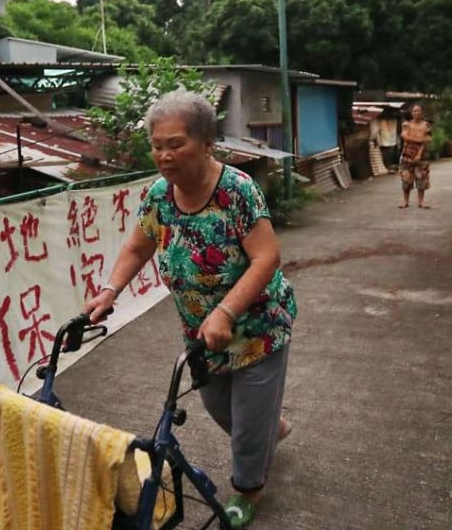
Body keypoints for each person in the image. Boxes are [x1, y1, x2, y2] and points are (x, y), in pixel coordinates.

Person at [84, 89, 297, 529]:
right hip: (202, 334)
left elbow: (266, 257)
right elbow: (137, 246)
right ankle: (267, 427)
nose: (164, 155)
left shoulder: (237, 191)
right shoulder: (160, 195)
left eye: (175, 144)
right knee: (224, 410)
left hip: (258, 327)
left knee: (246, 428)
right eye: (158, 145)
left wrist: (225, 312)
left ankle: (247, 491)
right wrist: (110, 290)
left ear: (206, 143)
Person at [398, 104, 432, 208]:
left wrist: (419, 153)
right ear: (411, 113)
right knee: (406, 179)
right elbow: (405, 137)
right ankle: (405, 201)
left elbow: (427, 140)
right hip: (407, 155)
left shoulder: (426, 125)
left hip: (422, 156)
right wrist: (420, 139)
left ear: (421, 112)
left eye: (418, 111)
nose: (416, 113)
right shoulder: (406, 125)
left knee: (422, 178)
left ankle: (421, 201)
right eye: (414, 111)